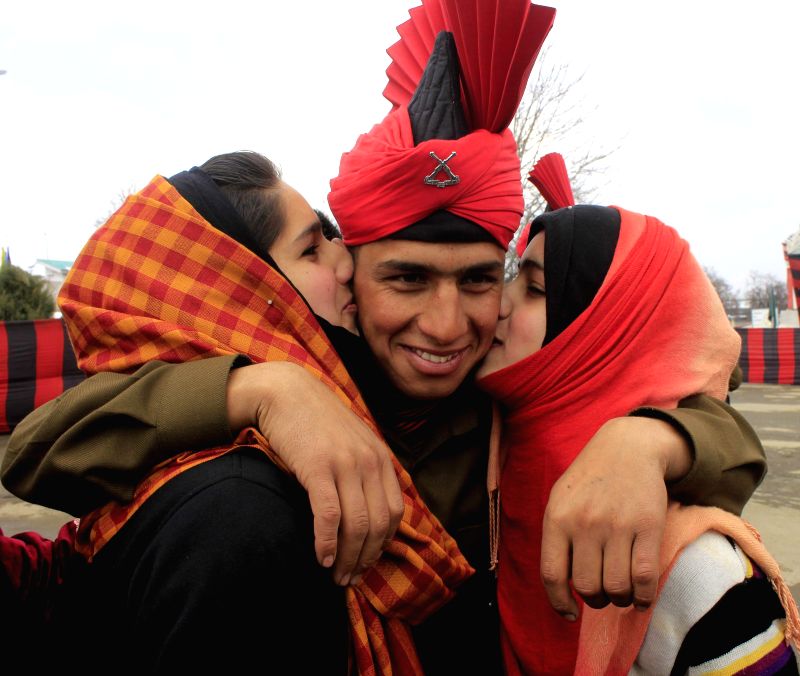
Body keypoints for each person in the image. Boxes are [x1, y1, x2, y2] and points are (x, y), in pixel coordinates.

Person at [2, 1, 766, 672]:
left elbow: (720, 431)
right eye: (406, 280)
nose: (444, 325)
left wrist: (644, 447)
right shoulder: (295, 370)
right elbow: (37, 452)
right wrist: (261, 391)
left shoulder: (501, 388)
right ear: (349, 276)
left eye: (475, 281)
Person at [477, 155, 799, 674]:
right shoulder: (492, 452)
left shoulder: (698, 576)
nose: (497, 304)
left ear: (601, 333)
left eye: (534, 289)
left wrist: (649, 442)